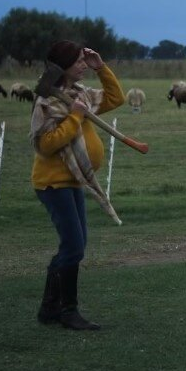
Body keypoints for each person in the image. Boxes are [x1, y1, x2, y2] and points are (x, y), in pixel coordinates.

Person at [29, 40, 125, 331]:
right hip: (53, 184)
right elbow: (46, 145)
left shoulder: (80, 94)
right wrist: (75, 117)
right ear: (63, 66)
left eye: (85, 60)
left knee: (75, 245)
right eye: (79, 61)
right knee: (73, 247)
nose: (84, 65)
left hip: (74, 181)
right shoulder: (47, 102)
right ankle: (68, 311)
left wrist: (101, 68)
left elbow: (115, 99)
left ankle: (50, 308)